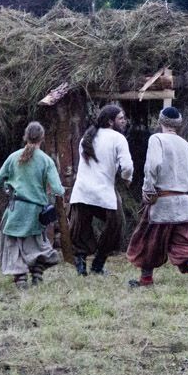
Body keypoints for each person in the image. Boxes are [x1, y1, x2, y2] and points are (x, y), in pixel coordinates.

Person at [126, 107, 188, 288]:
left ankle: (146, 280)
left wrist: (147, 191)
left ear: (160, 122)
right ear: (178, 125)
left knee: (148, 241)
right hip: (185, 204)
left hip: (162, 203)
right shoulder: (187, 145)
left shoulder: (157, 139)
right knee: (185, 242)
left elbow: (152, 166)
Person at [0, 122, 65, 289]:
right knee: (37, 243)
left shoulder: (13, 157)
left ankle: (20, 279)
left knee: (14, 244)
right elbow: (57, 189)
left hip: (15, 210)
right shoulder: (46, 161)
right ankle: (37, 272)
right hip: (36, 212)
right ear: (42, 138)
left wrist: (5, 188)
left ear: (25, 136)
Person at [68, 104, 134, 276]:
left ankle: (81, 266)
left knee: (80, 229)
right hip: (103, 192)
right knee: (116, 226)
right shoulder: (118, 138)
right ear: (111, 121)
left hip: (82, 191)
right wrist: (127, 179)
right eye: (121, 118)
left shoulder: (87, 136)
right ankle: (97, 265)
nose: (124, 121)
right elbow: (127, 166)